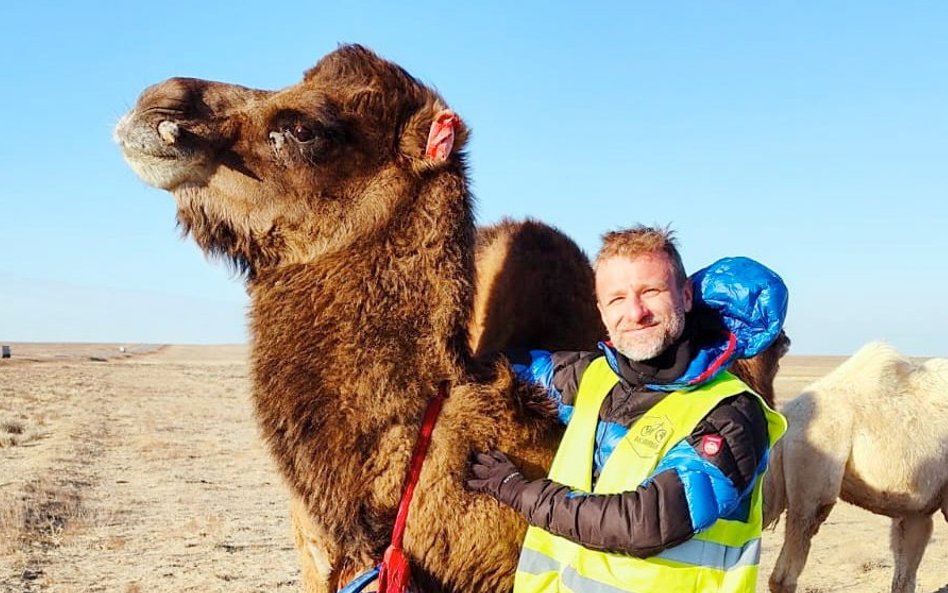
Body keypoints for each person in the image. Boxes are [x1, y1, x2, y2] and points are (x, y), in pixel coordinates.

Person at [466, 225, 788, 593]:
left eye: (650, 291)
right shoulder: (594, 379)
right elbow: (510, 366)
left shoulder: (731, 415)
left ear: (684, 296)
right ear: (601, 312)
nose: (635, 312)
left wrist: (518, 490)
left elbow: (645, 523)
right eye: (617, 299)